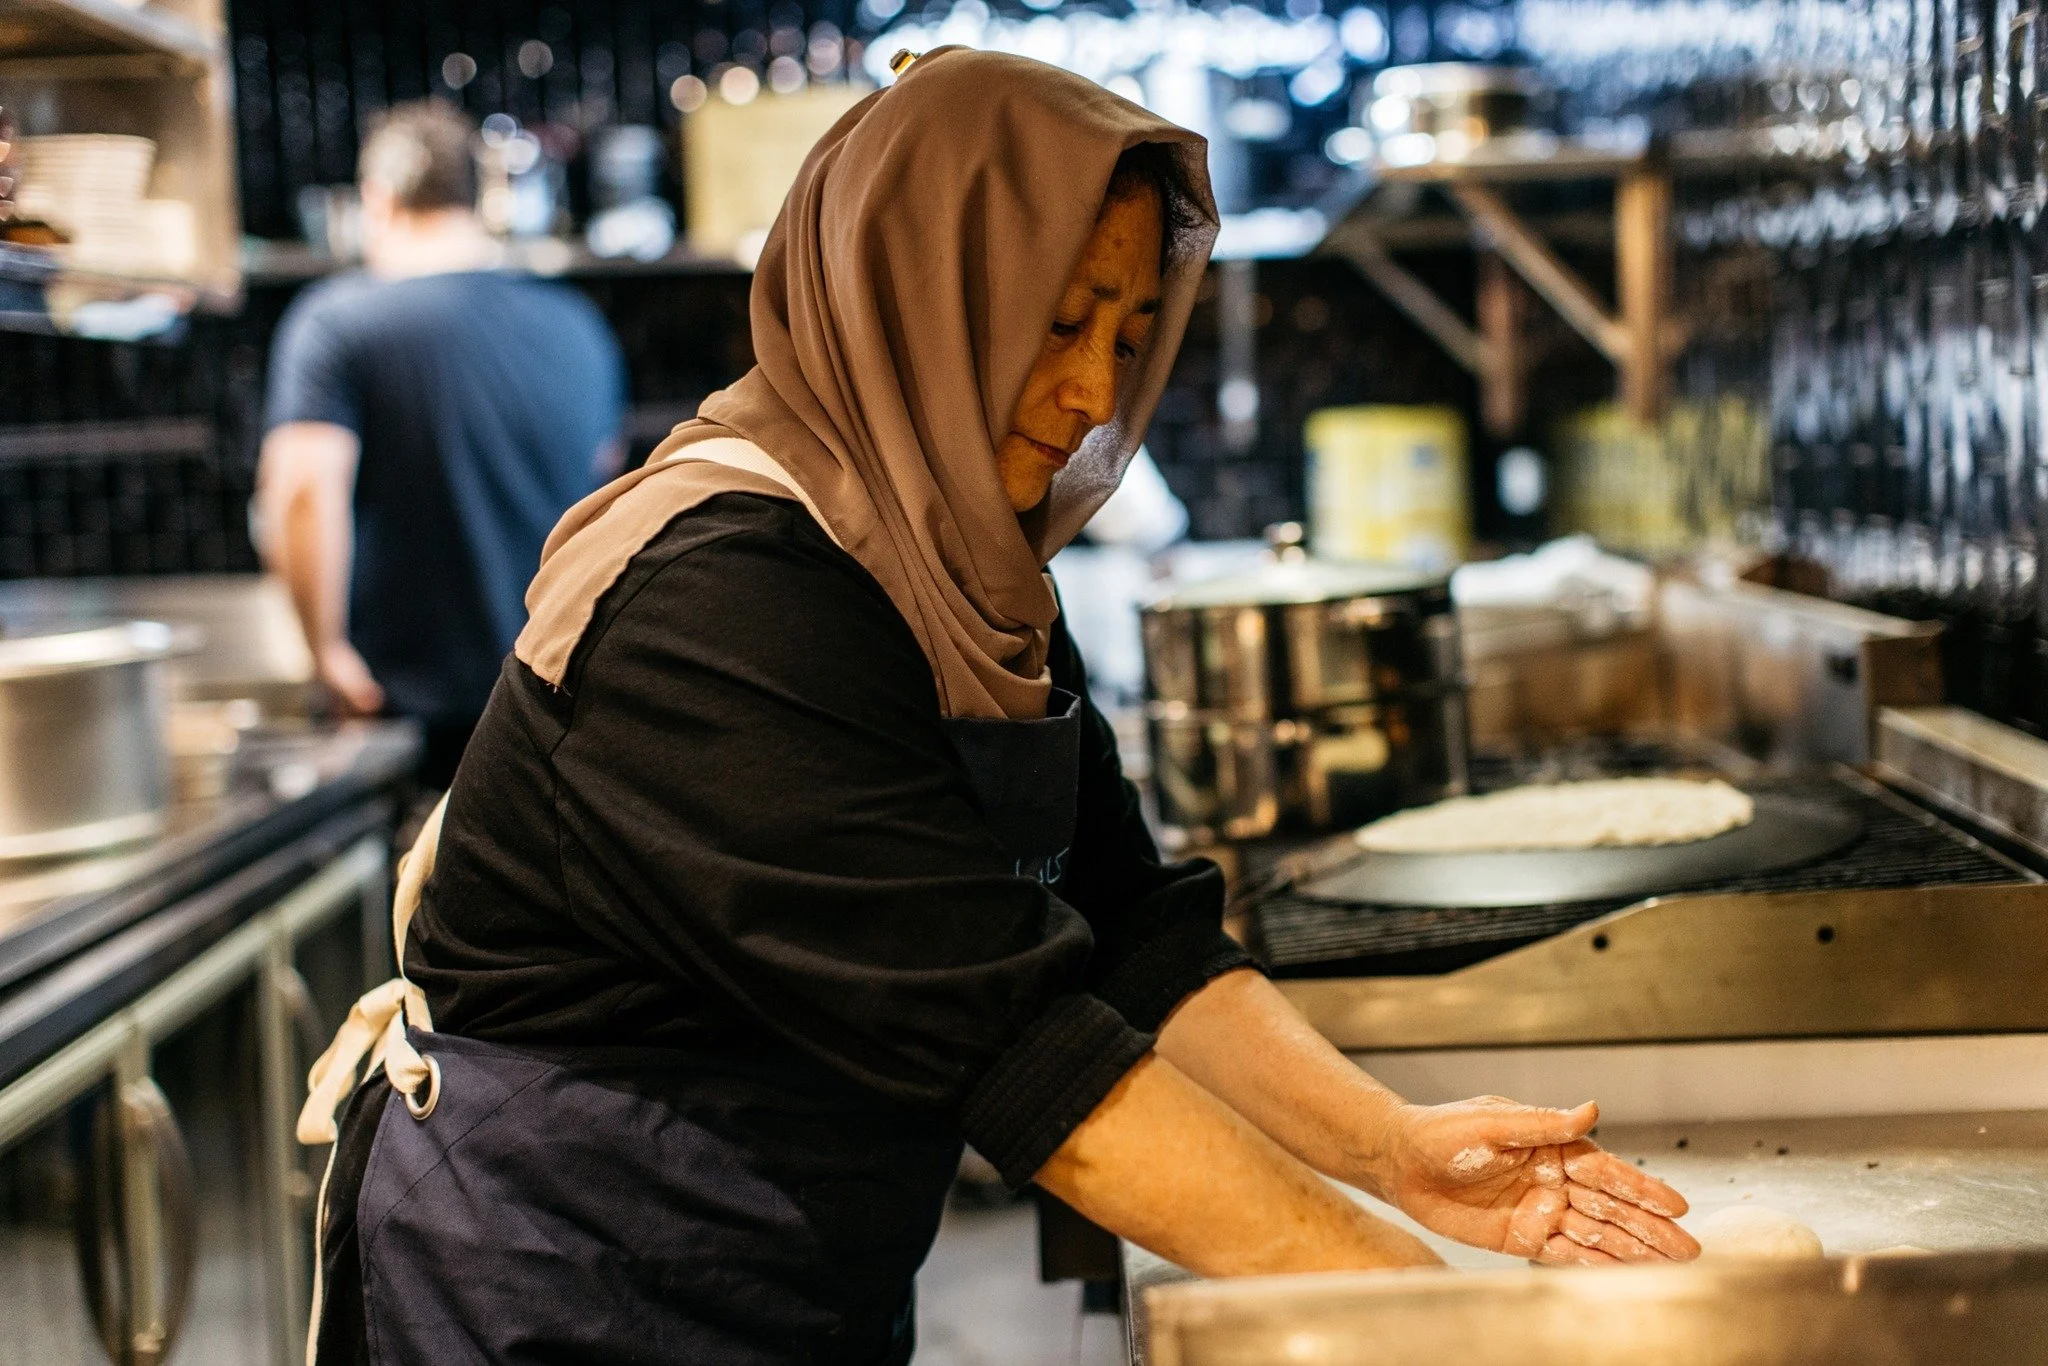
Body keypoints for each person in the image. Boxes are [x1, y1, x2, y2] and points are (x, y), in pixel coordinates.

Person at [297, 50, 1698, 1366]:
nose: (1094, 394)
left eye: (1132, 332)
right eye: (1058, 319)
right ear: (917, 288)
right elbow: (1021, 1050)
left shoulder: (961, 563)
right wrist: (1436, 1319)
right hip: (552, 1286)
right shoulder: (721, 602)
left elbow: (1127, 931)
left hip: (778, 1273)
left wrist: (1388, 1149)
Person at [257, 99, 625, 789]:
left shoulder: (337, 324)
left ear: (378, 201)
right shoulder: (576, 325)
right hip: (560, 714)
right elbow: (607, 489)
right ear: (474, 198)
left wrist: (327, 653)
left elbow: (303, 494)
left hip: (410, 725)